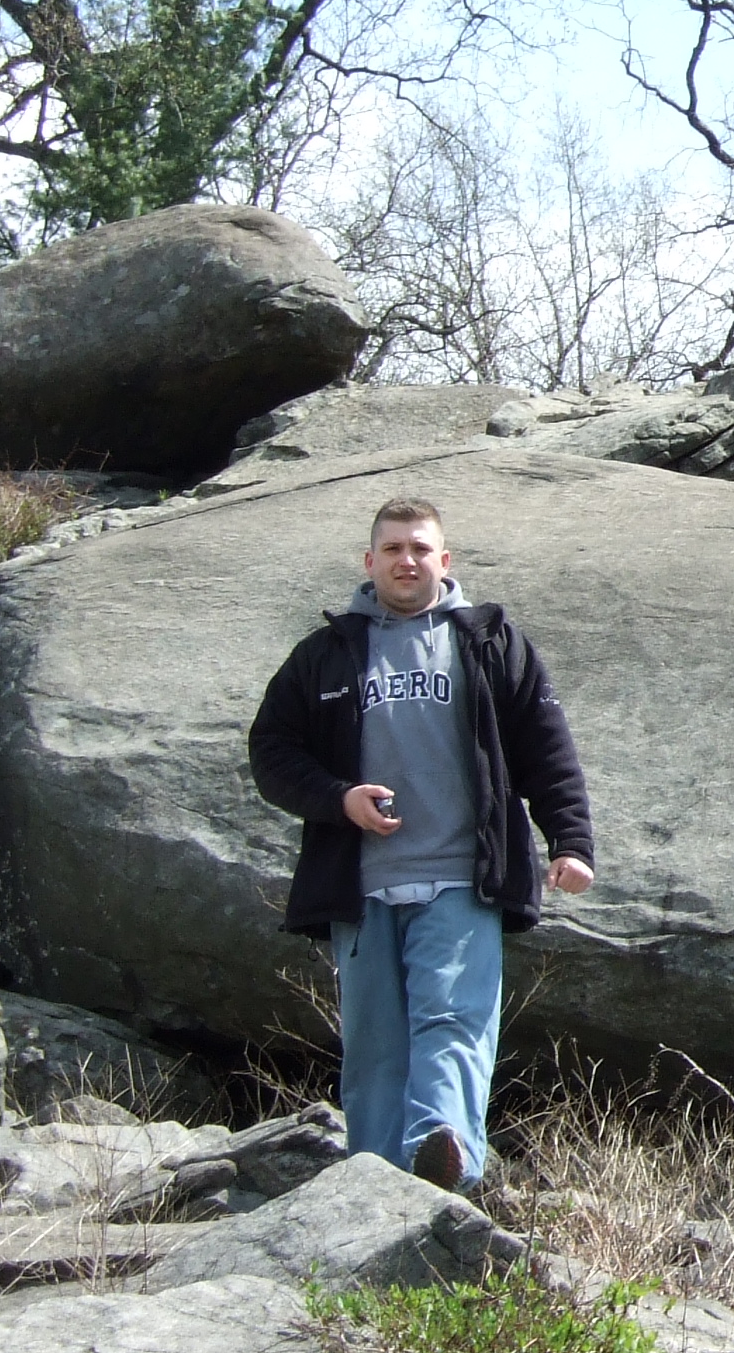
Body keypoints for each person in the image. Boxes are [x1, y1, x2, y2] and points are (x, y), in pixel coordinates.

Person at [246, 497, 594, 1192]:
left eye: (420, 548)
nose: (407, 561)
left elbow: (546, 749)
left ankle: (444, 1157)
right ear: (369, 561)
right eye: (393, 549)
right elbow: (271, 752)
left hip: (462, 879)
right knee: (374, 1051)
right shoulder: (324, 655)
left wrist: (571, 841)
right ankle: (375, 1186)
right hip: (361, 886)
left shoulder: (491, 644)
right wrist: (338, 798)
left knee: (452, 1022)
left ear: (445, 559)